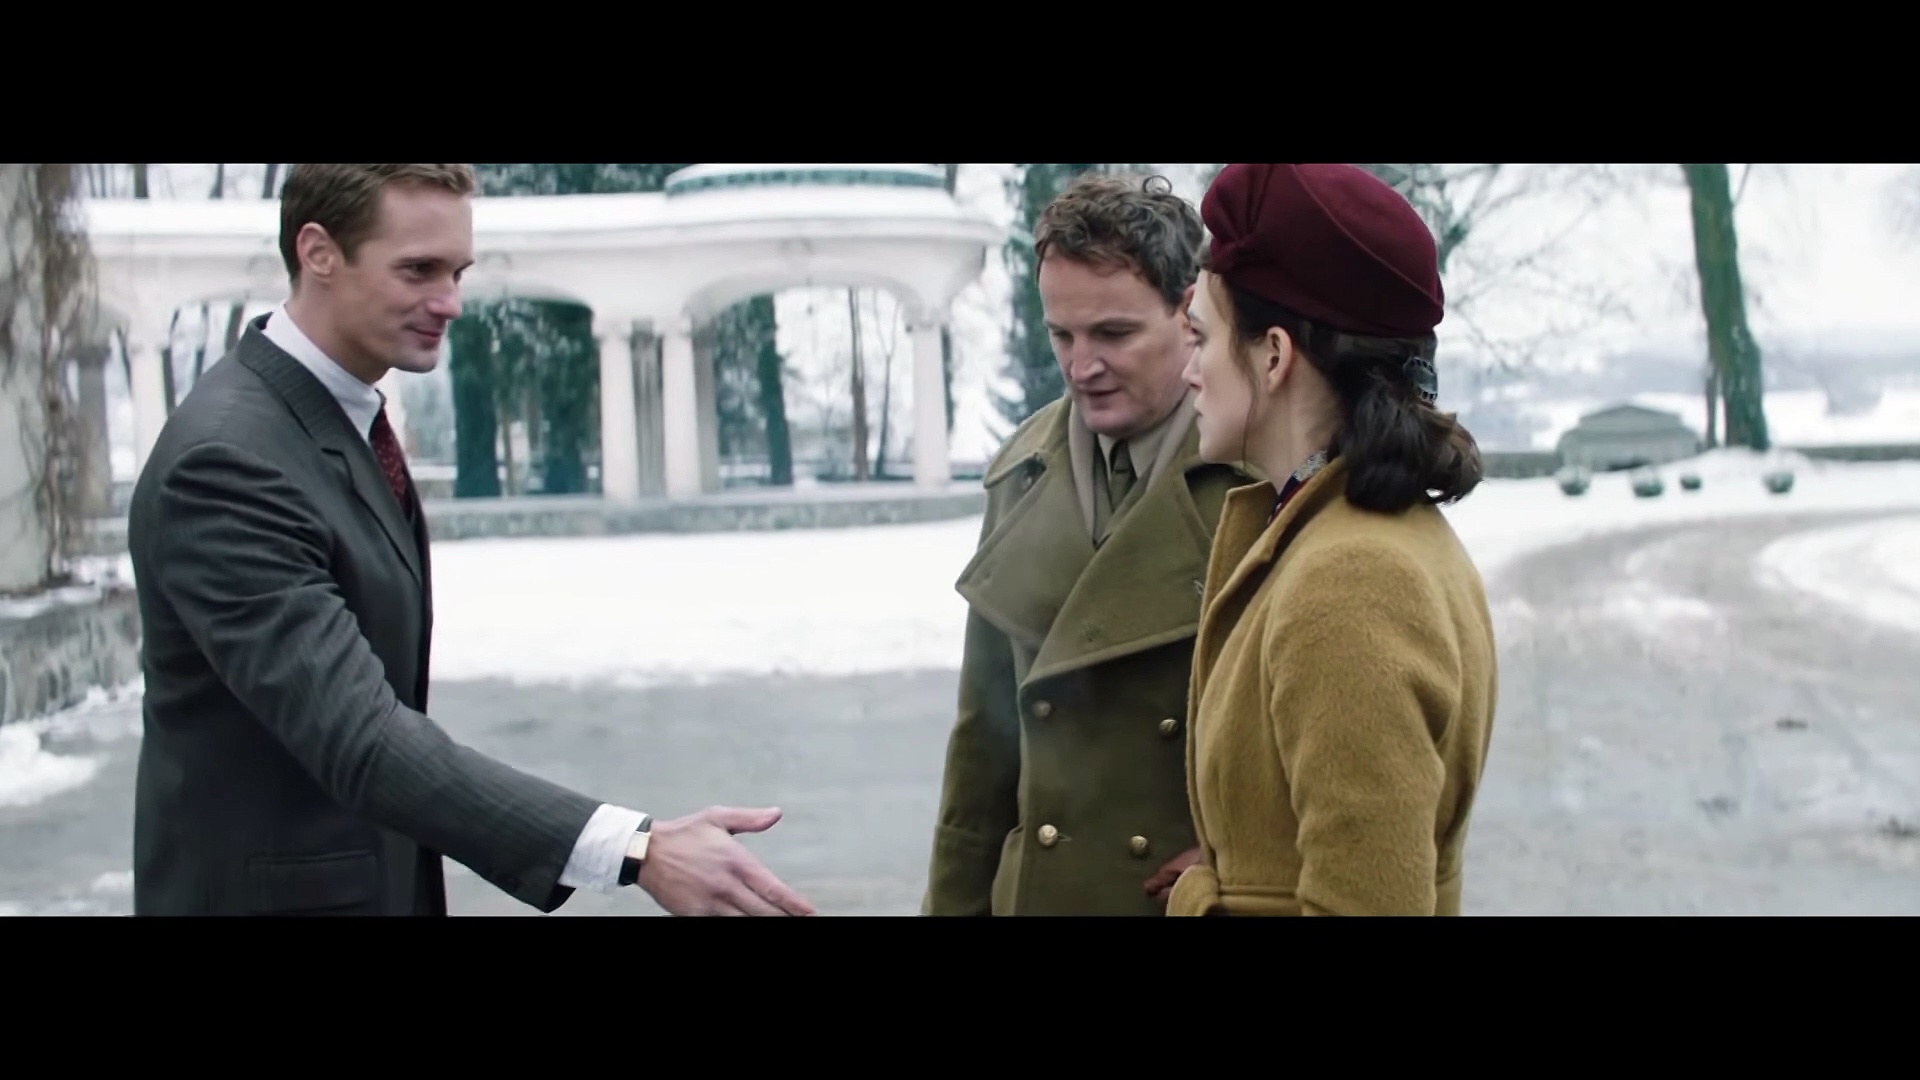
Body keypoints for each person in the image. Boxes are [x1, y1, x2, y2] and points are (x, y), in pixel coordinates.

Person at [126, 163, 814, 917]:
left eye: (457, 272)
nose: (450, 302)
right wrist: (632, 848)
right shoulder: (228, 460)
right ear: (318, 252)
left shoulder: (329, 420)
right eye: (418, 270)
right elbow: (361, 737)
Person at [1166, 162, 1499, 917]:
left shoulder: (1351, 581)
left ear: (1274, 356)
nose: (1188, 371)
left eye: (1202, 338)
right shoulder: (1361, 536)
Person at [922, 173, 1254, 916]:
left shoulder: (1258, 476)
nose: (1080, 366)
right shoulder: (1021, 472)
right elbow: (983, 754)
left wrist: (1253, 856)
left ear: (1191, 314)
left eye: (1113, 334)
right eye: (1061, 335)